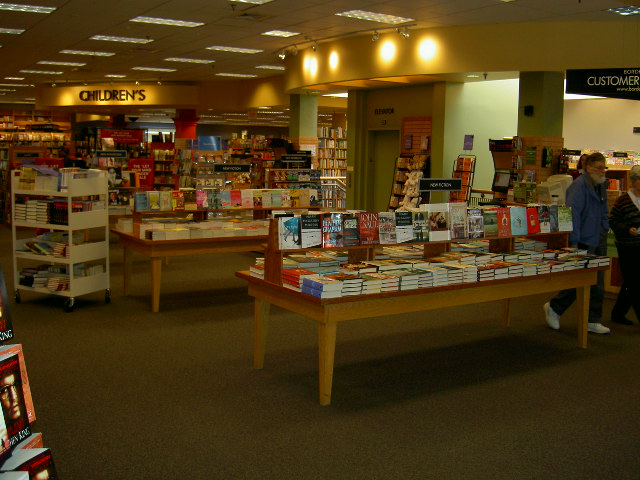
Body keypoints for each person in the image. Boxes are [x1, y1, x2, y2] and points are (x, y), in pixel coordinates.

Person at [544, 152, 611, 334]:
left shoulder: (600, 186)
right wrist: (573, 241)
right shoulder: (579, 186)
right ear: (588, 168)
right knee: (580, 280)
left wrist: (605, 226)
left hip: (598, 238)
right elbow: (572, 214)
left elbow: (604, 210)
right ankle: (555, 307)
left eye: (604, 168)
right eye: (599, 168)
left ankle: (593, 319)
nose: (602, 171)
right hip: (584, 240)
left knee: (597, 281)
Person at [608, 165, 640, 324]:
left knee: (631, 281)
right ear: (633, 181)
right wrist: (628, 229)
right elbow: (613, 221)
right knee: (634, 281)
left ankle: (618, 313)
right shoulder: (623, 201)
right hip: (627, 247)